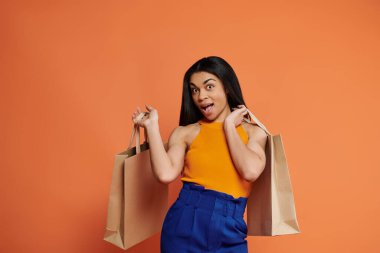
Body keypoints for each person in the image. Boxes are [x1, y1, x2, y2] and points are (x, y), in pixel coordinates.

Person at [132, 56, 267, 253]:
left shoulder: (254, 132)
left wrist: (229, 125)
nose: (200, 96)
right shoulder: (185, 133)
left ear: (227, 87)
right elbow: (165, 174)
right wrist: (151, 127)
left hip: (231, 225)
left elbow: (250, 171)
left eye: (209, 87)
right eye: (194, 90)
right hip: (184, 220)